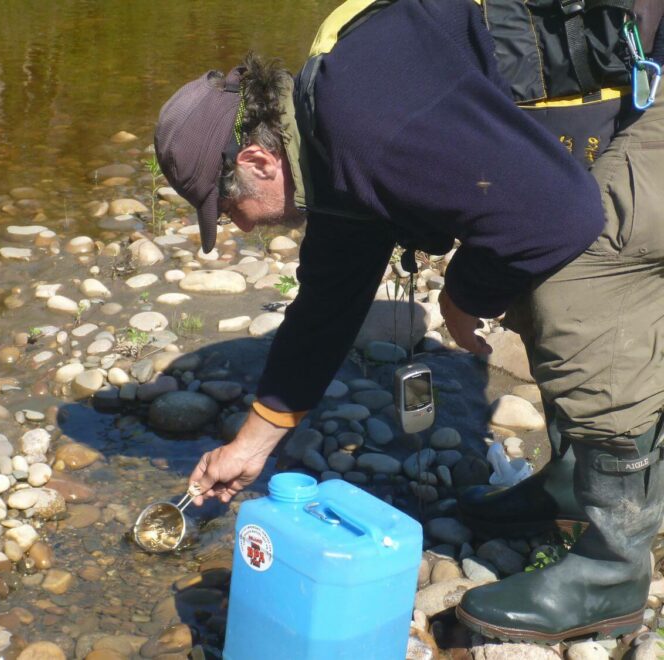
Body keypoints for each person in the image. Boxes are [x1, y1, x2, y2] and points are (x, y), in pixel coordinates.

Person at [153, 0, 664, 643]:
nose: (241, 227)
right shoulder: (324, 129)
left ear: (257, 162)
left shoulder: (368, 119)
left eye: (229, 208)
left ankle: (610, 570)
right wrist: (250, 445)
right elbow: (327, 304)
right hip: (613, 81)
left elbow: (560, 217)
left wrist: (465, 291)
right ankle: (570, 485)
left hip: (652, 72)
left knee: (575, 277)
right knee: (528, 250)